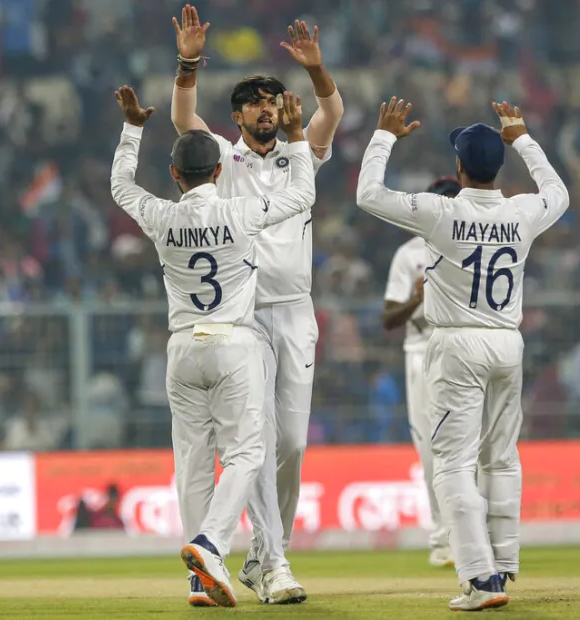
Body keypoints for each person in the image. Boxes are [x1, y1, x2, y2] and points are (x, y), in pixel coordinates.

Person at [356, 98, 569, 611]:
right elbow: (559, 193)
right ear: (498, 167)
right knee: (501, 456)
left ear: (458, 167)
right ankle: (505, 558)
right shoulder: (522, 211)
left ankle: (479, 577)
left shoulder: (441, 212)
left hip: (455, 344)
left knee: (451, 463)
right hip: (507, 342)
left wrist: (383, 137)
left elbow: (368, 194)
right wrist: (523, 138)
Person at [109, 85, 316, 607]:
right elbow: (301, 197)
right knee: (247, 452)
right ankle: (211, 544)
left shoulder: (161, 215)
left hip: (181, 348)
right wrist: (296, 138)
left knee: (192, 463)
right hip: (234, 342)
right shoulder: (241, 212)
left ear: (175, 175)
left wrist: (132, 128)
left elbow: (120, 185)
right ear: (220, 172)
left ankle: (199, 579)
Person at [170, 5, 344, 604]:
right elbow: (183, 118)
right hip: (241, 317)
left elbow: (332, 113)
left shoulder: (302, 151)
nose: (266, 108)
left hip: (294, 311)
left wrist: (316, 70)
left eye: (272, 100)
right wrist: (189, 62)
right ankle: (274, 563)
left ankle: (265, 555)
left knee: (291, 443)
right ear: (238, 116)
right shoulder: (222, 159)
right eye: (254, 102)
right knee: (261, 442)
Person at [381, 176, 462, 569]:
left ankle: (474, 532)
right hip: (421, 351)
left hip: (462, 347)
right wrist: (416, 298)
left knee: (470, 445)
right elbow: (388, 319)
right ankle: (442, 537)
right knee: (430, 450)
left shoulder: (472, 243)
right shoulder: (409, 253)